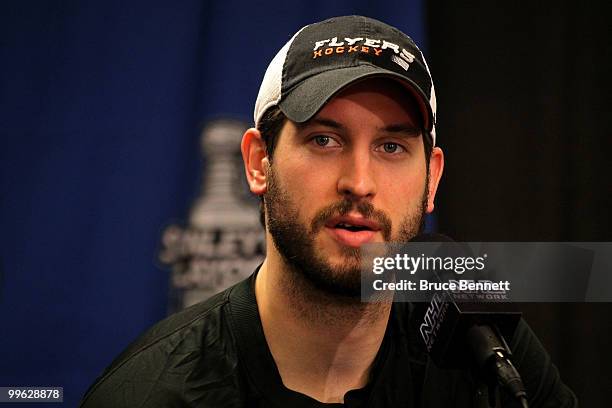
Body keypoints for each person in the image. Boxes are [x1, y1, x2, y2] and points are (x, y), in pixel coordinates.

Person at [80, 15, 577, 407]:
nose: (359, 183)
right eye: (324, 139)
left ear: (433, 180)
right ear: (258, 163)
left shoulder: (486, 358)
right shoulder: (154, 393)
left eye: (392, 147)